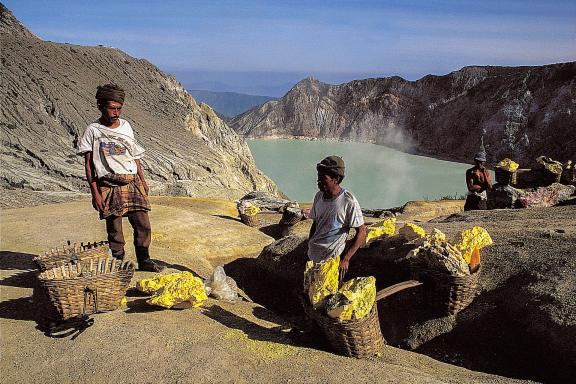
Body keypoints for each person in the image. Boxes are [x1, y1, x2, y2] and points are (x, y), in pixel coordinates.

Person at [77, 83, 164, 272]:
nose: (116, 112)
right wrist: (95, 193)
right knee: (115, 228)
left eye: (119, 108)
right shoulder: (93, 131)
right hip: (108, 183)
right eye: (112, 108)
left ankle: (144, 260)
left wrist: (142, 179)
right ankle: (118, 263)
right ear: (100, 106)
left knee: (143, 224)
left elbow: (134, 154)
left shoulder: (126, 126)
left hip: (131, 181)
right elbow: (89, 164)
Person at [308, 155, 366, 278]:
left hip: (332, 258)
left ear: (336, 179)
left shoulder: (348, 201)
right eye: (318, 177)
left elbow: (361, 232)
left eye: (323, 178)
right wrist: (309, 244)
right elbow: (315, 223)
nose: (318, 181)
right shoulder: (319, 196)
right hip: (313, 255)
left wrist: (346, 259)